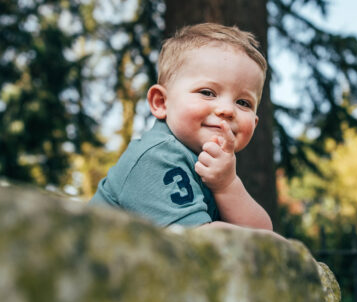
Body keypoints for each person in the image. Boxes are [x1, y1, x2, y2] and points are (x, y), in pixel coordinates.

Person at [90, 23, 272, 231]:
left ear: (255, 122)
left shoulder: (217, 167)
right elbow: (197, 241)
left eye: (243, 103)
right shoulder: (156, 156)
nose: (227, 110)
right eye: (207, 92)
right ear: (161, 102)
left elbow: (262, 233)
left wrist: (228, 186)